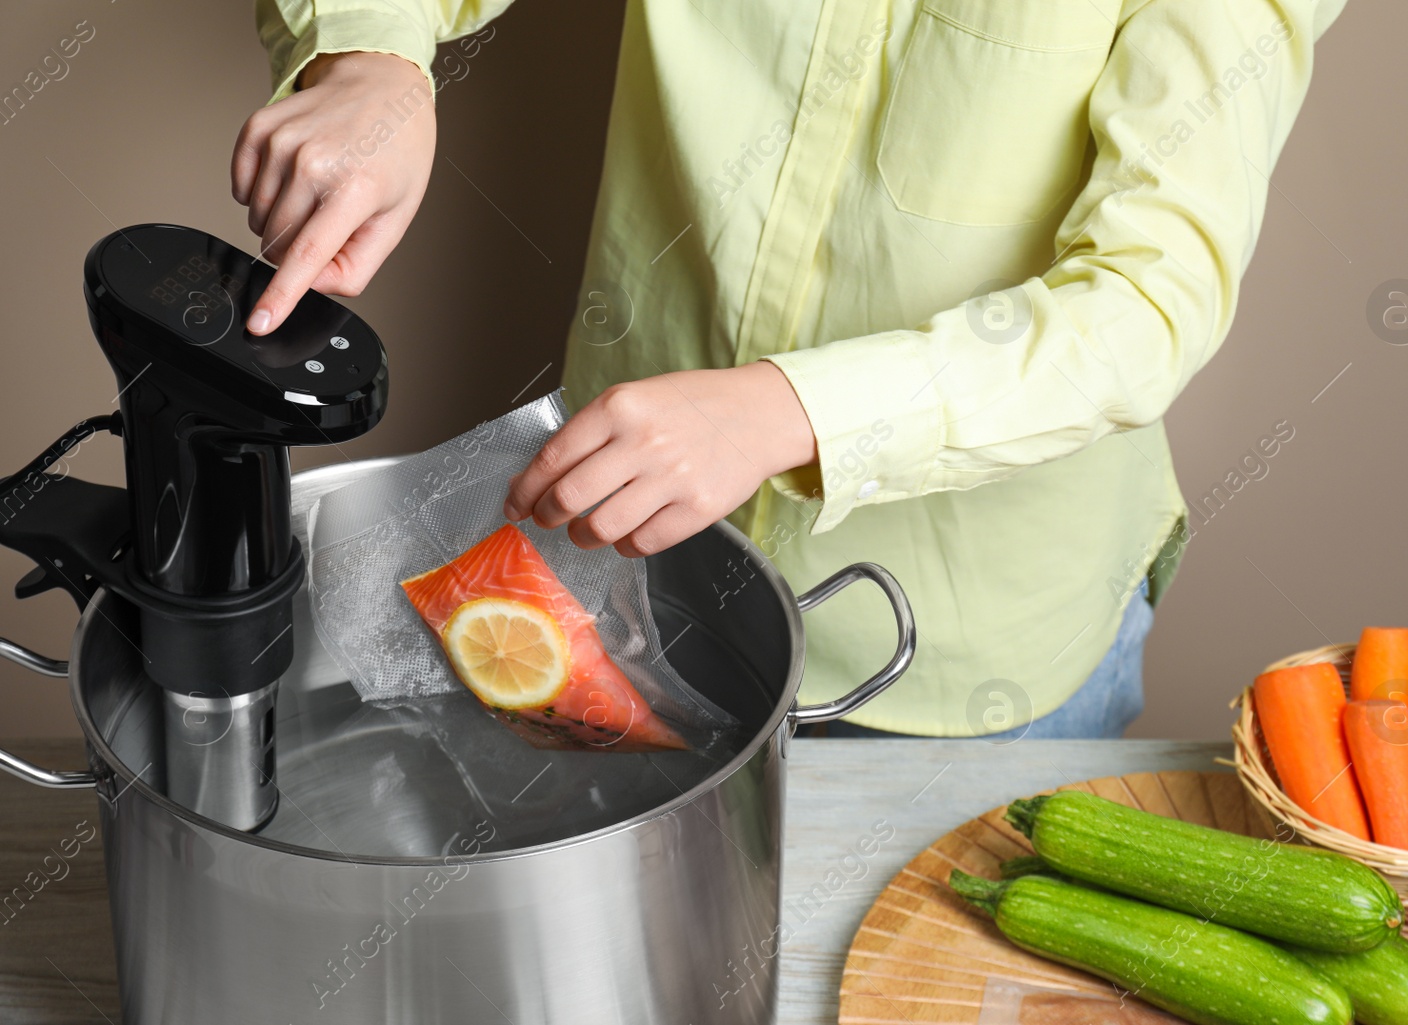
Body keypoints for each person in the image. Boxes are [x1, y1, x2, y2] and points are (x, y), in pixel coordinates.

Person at [237, 0, 1347, 739]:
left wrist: (794, 412)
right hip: (629, 581)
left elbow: (1145, 304)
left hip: (970, 662)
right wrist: (369, 55)